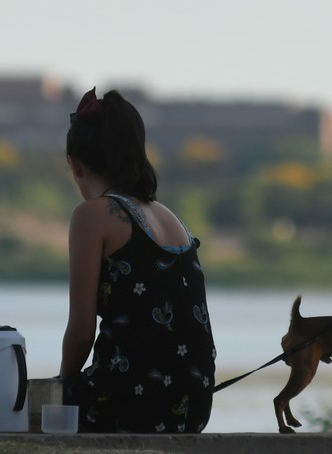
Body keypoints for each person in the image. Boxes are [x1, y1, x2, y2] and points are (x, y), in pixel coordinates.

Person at [57, 87, 215, 432]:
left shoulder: (92, 215)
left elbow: (82, 332)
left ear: (75, 164)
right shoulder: (170, 217)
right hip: (193, 408)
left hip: (127, 403)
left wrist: (60, 387)